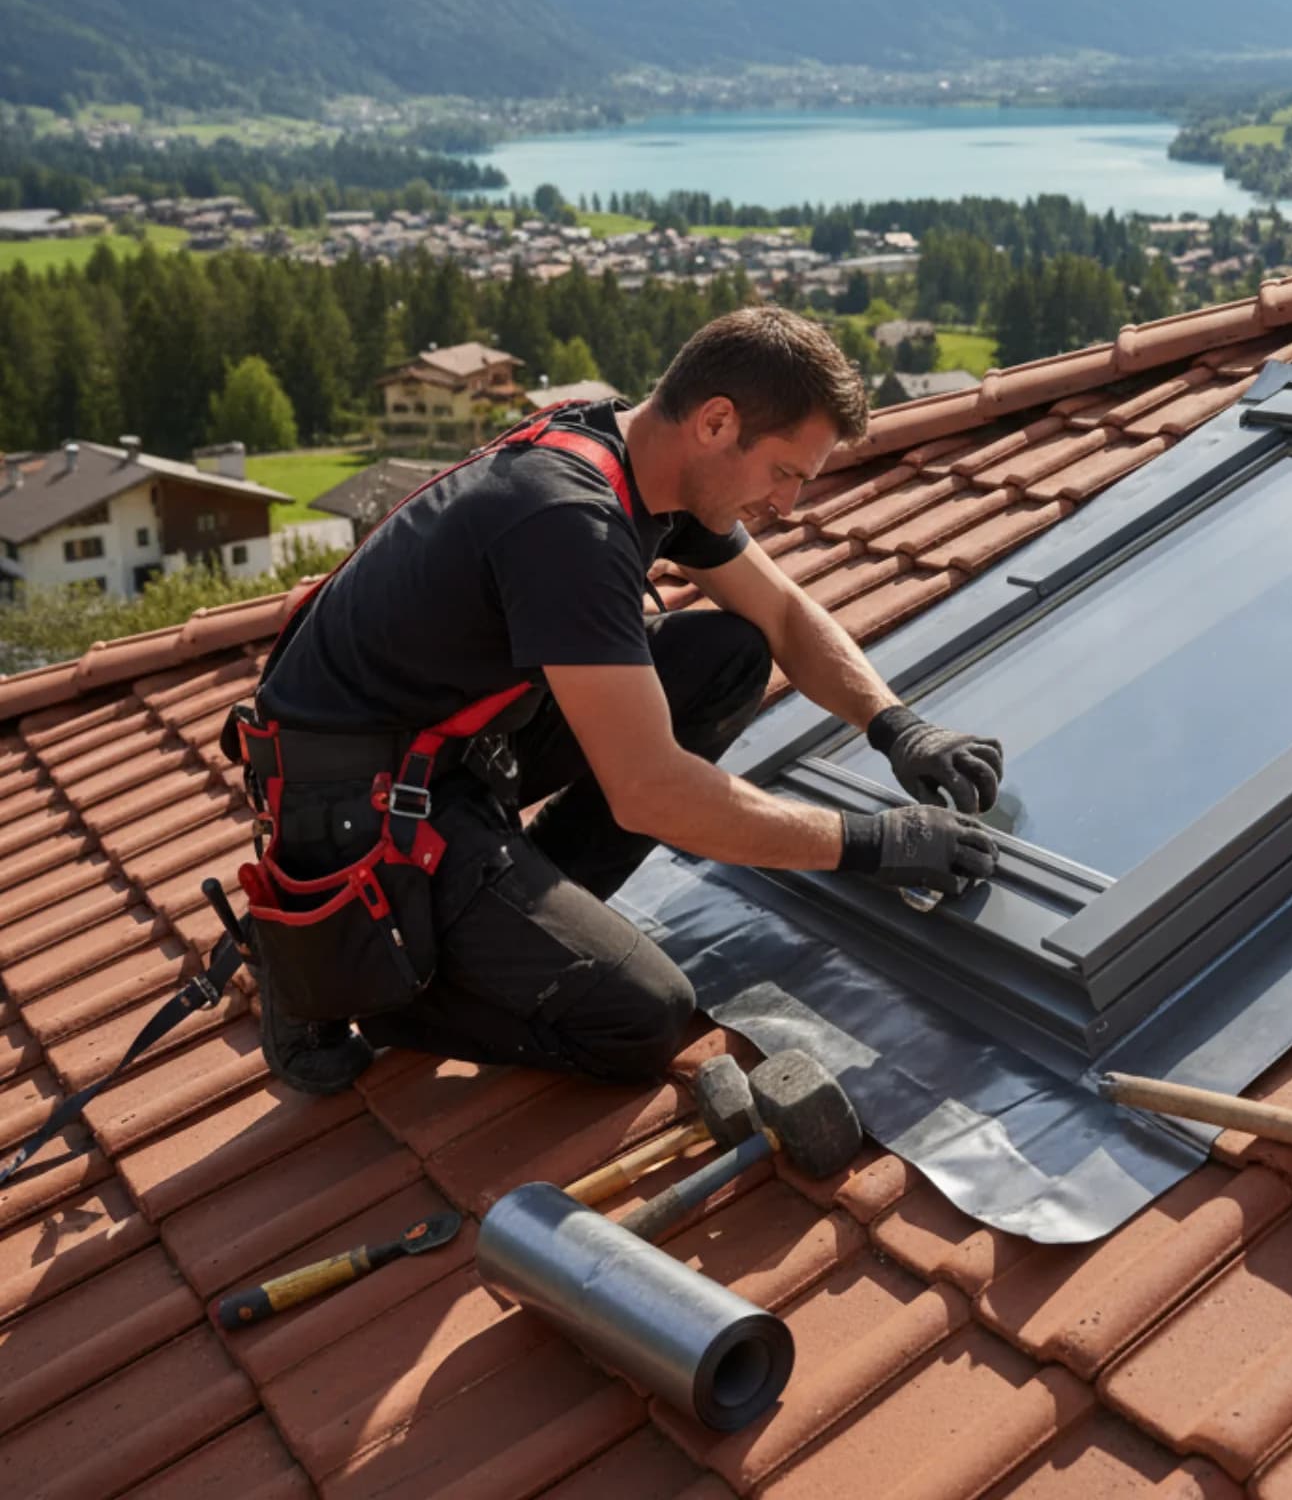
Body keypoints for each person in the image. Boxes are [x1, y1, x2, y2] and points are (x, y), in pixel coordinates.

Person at [231, 307, 1002, 1096]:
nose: (789, 505)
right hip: (364, 806)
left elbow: (780, 615)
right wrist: (872, 843)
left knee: (731, 655)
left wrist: (897, 727)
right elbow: (651, 791)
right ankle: (351, 983)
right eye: (785, 472)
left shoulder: (638, 459)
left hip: (451, 746)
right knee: (643, 1018)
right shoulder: (569, 521)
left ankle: (517, 910)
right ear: (716, 422)